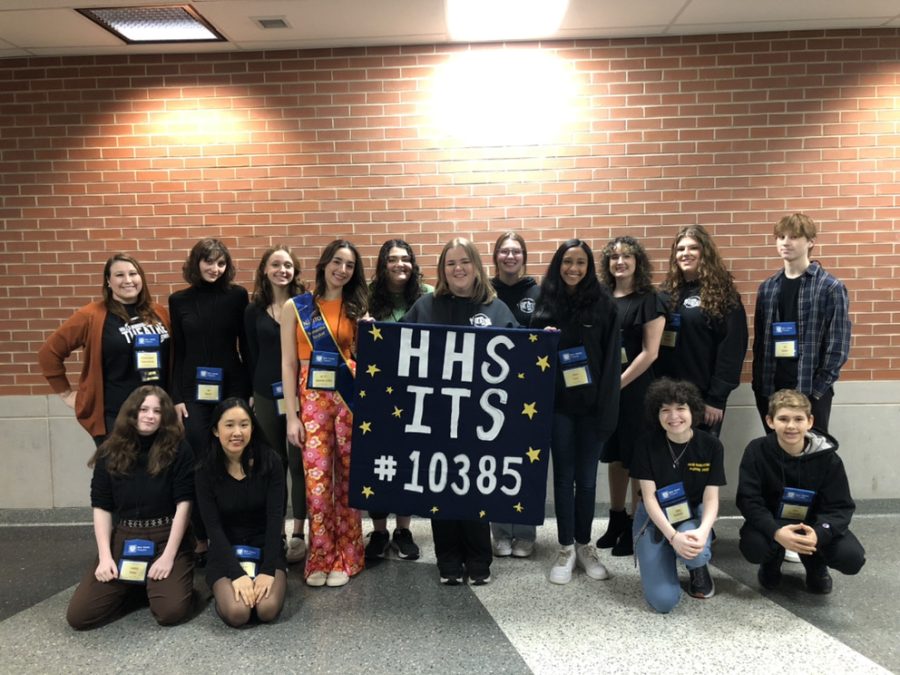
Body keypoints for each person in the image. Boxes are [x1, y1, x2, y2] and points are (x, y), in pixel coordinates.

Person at [403, 237, 518, 585]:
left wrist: (542, 339)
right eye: (451, 263)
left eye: (464, 262)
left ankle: (479, 559)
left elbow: (519, 353)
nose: (458, 269)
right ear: (443, 270)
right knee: (442, 489)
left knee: (473, 489)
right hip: (438, 416)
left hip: (480, 419)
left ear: (476, 266)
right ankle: (448, 560)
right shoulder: (426, 306)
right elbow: (397, 345)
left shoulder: (496, 308)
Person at [66, 385, 194, 629]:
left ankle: (164, 585)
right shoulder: (109, 451)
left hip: (166, 535)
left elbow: (184, 504)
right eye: (143, 409)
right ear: (131, 413)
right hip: (125, 537)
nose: (150, 416)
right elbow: (101, 507)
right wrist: (105, 557)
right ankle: (138, 588)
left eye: (157, 411)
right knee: (80, 616)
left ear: (164, 417)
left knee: (170, 612)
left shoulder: (179, 449)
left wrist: (168, 557)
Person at [530, 239, 620, 585]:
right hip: (558, 409)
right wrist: (543, 339)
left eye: (581, 262)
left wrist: (607, 410)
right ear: (558, 264)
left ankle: (585, 545)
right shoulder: (544, 302)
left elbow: (612, 363)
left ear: (589, 267)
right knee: (564, 479)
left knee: (586, 481)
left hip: (593, 408)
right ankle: (566, 547)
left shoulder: (605, 305)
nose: (574, 269)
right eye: (568, 261)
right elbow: (530, 353)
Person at [281, 239, 367, 587]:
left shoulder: (357, 306)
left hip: (347, 398)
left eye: (349, 265)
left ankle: (348, 557)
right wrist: (291, 415)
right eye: (337, 262)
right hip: (311, 399)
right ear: (324, 264)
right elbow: (287, 363)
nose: (342, 270)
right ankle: (320, 555)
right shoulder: (296, 306)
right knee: (317, 484)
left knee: (348, 479)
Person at [169, 238, 250, 564]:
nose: (214, 269)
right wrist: (176, 397)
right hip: (193, 394)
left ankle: (235, 533)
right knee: (201, 460)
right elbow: (179, 351)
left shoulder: (237, 296)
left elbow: (245, 346)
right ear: (196, 263)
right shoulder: (178, 300)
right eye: (208, 262)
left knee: (234, 457)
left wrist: (246, 395)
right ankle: (203, 537)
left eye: (220, 263)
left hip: (231, 387)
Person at [736, 389, 865, 594]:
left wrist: (819, 534)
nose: (791, 426)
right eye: (783, 419)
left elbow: (840, 506)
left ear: (810, 421)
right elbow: (748, 500)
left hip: (814, 523)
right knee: (754, 546)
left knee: (851, 557)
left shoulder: (828, 458)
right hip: (774, 520)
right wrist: (776, 532)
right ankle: (771, 561)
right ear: (770, 421)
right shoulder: (756, 450)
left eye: (798, 419)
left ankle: (816, 565)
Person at [39, 254, 171, 446]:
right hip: (115, 416)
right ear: (108, 281)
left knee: (158, 473)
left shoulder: (158, 312)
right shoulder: (91, 315)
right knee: (118, 474)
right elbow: (48, 352)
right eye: (119, 275)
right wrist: (66, 393)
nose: (127, 280)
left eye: (133, 274)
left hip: (157, 413)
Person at [595, 236, 666, 557]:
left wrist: (616, 383)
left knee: (638, 458)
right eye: (614, 257)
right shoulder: (602, 298)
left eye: (626, 256)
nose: (620, 262)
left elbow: (650, 353)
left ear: (638, 261)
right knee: (615, 455)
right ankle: (616, 519)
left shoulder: (649, 299)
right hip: (609, 389)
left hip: (637, 389)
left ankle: (639, 524)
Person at [363, 239, 432, 562]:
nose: (400, 264)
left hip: (415, 393)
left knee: (409, 461)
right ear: (383, 264)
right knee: (375, 461)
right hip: (377, 393)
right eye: (392, 259)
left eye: (405, 259)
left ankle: (403, 529)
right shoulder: (365, 297)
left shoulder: (428, 295)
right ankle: (378, 531)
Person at [631, 378, 724, 613]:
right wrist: (673, 538)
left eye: (681, 408)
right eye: (665, 410)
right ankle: (673, 552)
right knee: (663, 602)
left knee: (697, 550)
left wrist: (702, 532)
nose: (674, 416)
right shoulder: (645, 444)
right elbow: (649, 498)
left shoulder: (711, 446)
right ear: (657, 414)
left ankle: (698, 566)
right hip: (654, 520)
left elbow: (711, 499)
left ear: (693, 410)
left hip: (691, 517)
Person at [752, 213, 851, 435]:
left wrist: (816, 391)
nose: (786, 242)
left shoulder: (830, 287)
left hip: (810, 391)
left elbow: (838, 347)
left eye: (794, 236)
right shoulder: (767, 288)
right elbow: (759, 345)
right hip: (771, 389)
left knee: (812, 457)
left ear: (811, 242)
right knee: (776, 457)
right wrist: (759, 387)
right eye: (781, 237)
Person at [195, 398, 287, 626]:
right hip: (226, 550)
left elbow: (276, 518)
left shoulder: (271, 462)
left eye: (244, 425)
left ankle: (264, 580)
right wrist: (236, 574)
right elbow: (212, 528)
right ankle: (221, 593)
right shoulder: (204, 470)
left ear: (252, 428)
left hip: (266, 548)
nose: (237, 432)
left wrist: (267, 570)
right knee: (238, 613)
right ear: (216, 430)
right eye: (229, 425)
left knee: (266, 610)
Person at [244, 246, 308, 564]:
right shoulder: (253, 310)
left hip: (300, 395)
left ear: (295, 270)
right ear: (265, 270)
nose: (282, 270)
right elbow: (250, 352)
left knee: (298, 465)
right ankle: (277, 532)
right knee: (274, 464)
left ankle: (299, 533)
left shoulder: (305, 306)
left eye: (287, 265)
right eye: (275, 265)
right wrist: (253, 394)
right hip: (267, 395)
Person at [656, 225, 748, 437]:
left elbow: (732, 350)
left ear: (705, 252)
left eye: (693, 248)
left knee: (701, 463)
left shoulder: (724, 296)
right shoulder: (666, 294)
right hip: (668, 398)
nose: (685, 254)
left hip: (704, 400)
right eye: (680, 249)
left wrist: (716, 398)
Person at [488, 231, 542, 559]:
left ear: (524, 256)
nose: (510, 257)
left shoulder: (538, 292)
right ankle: (500, 532)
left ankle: (524, 532)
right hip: (491, 391)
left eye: (516, 251)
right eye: (504, 252)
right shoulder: (484, 292)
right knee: (494, 461)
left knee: (524, 461)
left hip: (527, 394)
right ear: (495, 257)